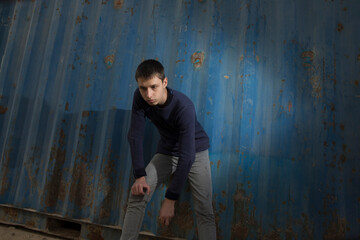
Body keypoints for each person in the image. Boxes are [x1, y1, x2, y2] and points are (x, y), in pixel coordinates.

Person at [120, 59, 216, 240]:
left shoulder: (184, 106)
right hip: (167, 150)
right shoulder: (140, 97)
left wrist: (170, 199)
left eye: (154, 87)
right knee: (137, 195)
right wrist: (139, 176)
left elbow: (187, 157)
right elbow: (135, 136)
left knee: (204, 208)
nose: (148, 94)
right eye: (143, 88)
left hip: (195, 151)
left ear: (165, 82)